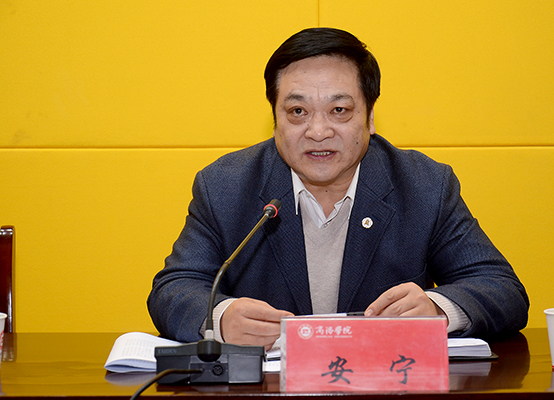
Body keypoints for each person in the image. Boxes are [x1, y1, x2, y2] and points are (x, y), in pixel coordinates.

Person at [147, 27, 529, 348]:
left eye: (339, 110)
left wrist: (438, 310)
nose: (318, 131)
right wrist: (220, 317)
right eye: (298, 112)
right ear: (275, 119)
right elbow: (174, 288)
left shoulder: (424, 185)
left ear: (370, 117)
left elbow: (501, 289)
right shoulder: (224, 186)